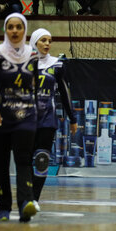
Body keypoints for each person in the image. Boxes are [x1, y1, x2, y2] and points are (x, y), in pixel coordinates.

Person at [0, 13, 40, 222]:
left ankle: (26, 204)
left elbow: (35, 84)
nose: (14, 31)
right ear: (5, 30)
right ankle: (3, 207)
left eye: (18, 27)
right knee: (1, 163)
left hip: (26, 116)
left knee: (23, 160)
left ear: (24, 30)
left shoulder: (33, 54)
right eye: (10, 27)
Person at [29, 28, 77, 202]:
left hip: (47, 120)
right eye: (43, 40)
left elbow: (65, 93)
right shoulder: (23, 63)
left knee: (42, 159)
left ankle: (34, 199)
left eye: (49, 40)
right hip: (25, 120)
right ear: (34, 42)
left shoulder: (57, 64)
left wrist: (72, 119)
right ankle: (25, 195)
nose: (47, 44)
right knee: (25, 161)